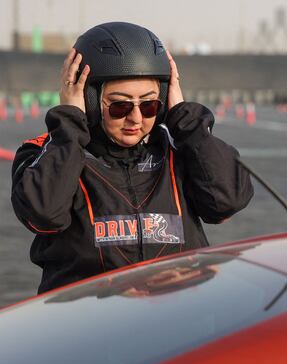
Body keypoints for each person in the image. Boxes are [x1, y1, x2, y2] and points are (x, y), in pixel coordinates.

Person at [10, 22, 254, 294]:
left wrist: (186, 120)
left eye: (150, 105)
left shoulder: (179, 149)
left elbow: (227, 201)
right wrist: (68, 128)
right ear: (89, 101)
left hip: (179, 318)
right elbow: (43, 214)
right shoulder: (46, 153)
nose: (136, 118)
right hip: (88, 324)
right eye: (120, 106)